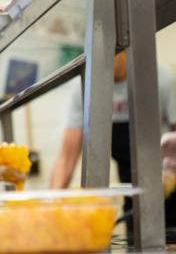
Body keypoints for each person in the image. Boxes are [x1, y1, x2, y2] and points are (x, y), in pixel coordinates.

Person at [50, 52, 176, 237]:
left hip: (168, 185)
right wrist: (52, 208)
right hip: (131, 188)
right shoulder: (85, 86)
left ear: (124, 47)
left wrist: (170, 173)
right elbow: (66, 159)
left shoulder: (160, 78)